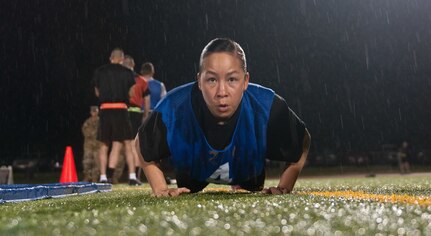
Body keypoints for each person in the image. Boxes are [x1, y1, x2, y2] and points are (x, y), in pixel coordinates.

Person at [135, 38, 310, 197]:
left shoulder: (267, 105)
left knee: (253, 183)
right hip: (193, 175)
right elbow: (142, 143)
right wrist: (160, 188)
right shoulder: (175, 106)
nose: (222, 92)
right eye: (211, 80)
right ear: (199, 82)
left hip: (248, 175)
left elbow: (302, 141)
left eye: (232, 79)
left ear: (246, 81)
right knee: (188, 185)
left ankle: (241, 180)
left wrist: (285, 186)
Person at [92, 48, 140, 186]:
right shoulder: (127, 72)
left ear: (110, 57)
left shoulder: (100, 71)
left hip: (105, 110)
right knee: (127, 143)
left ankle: (102, 177)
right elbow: (131, 93)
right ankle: (132, 176)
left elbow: (97, 92)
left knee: (104, 144)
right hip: (121, 109)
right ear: (122, 59)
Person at [81, 106, 101, 182]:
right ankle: (87, 177)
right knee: (87, 161)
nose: (94, 113)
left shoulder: (101, 121)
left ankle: (95, 178)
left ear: (98, 112)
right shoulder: (87, 122)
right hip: (88, 145)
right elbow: (85, 131)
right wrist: (93, 133)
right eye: (93, 111)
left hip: (98, 145)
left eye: (95, 111)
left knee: (97, 162)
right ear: (91, 112)